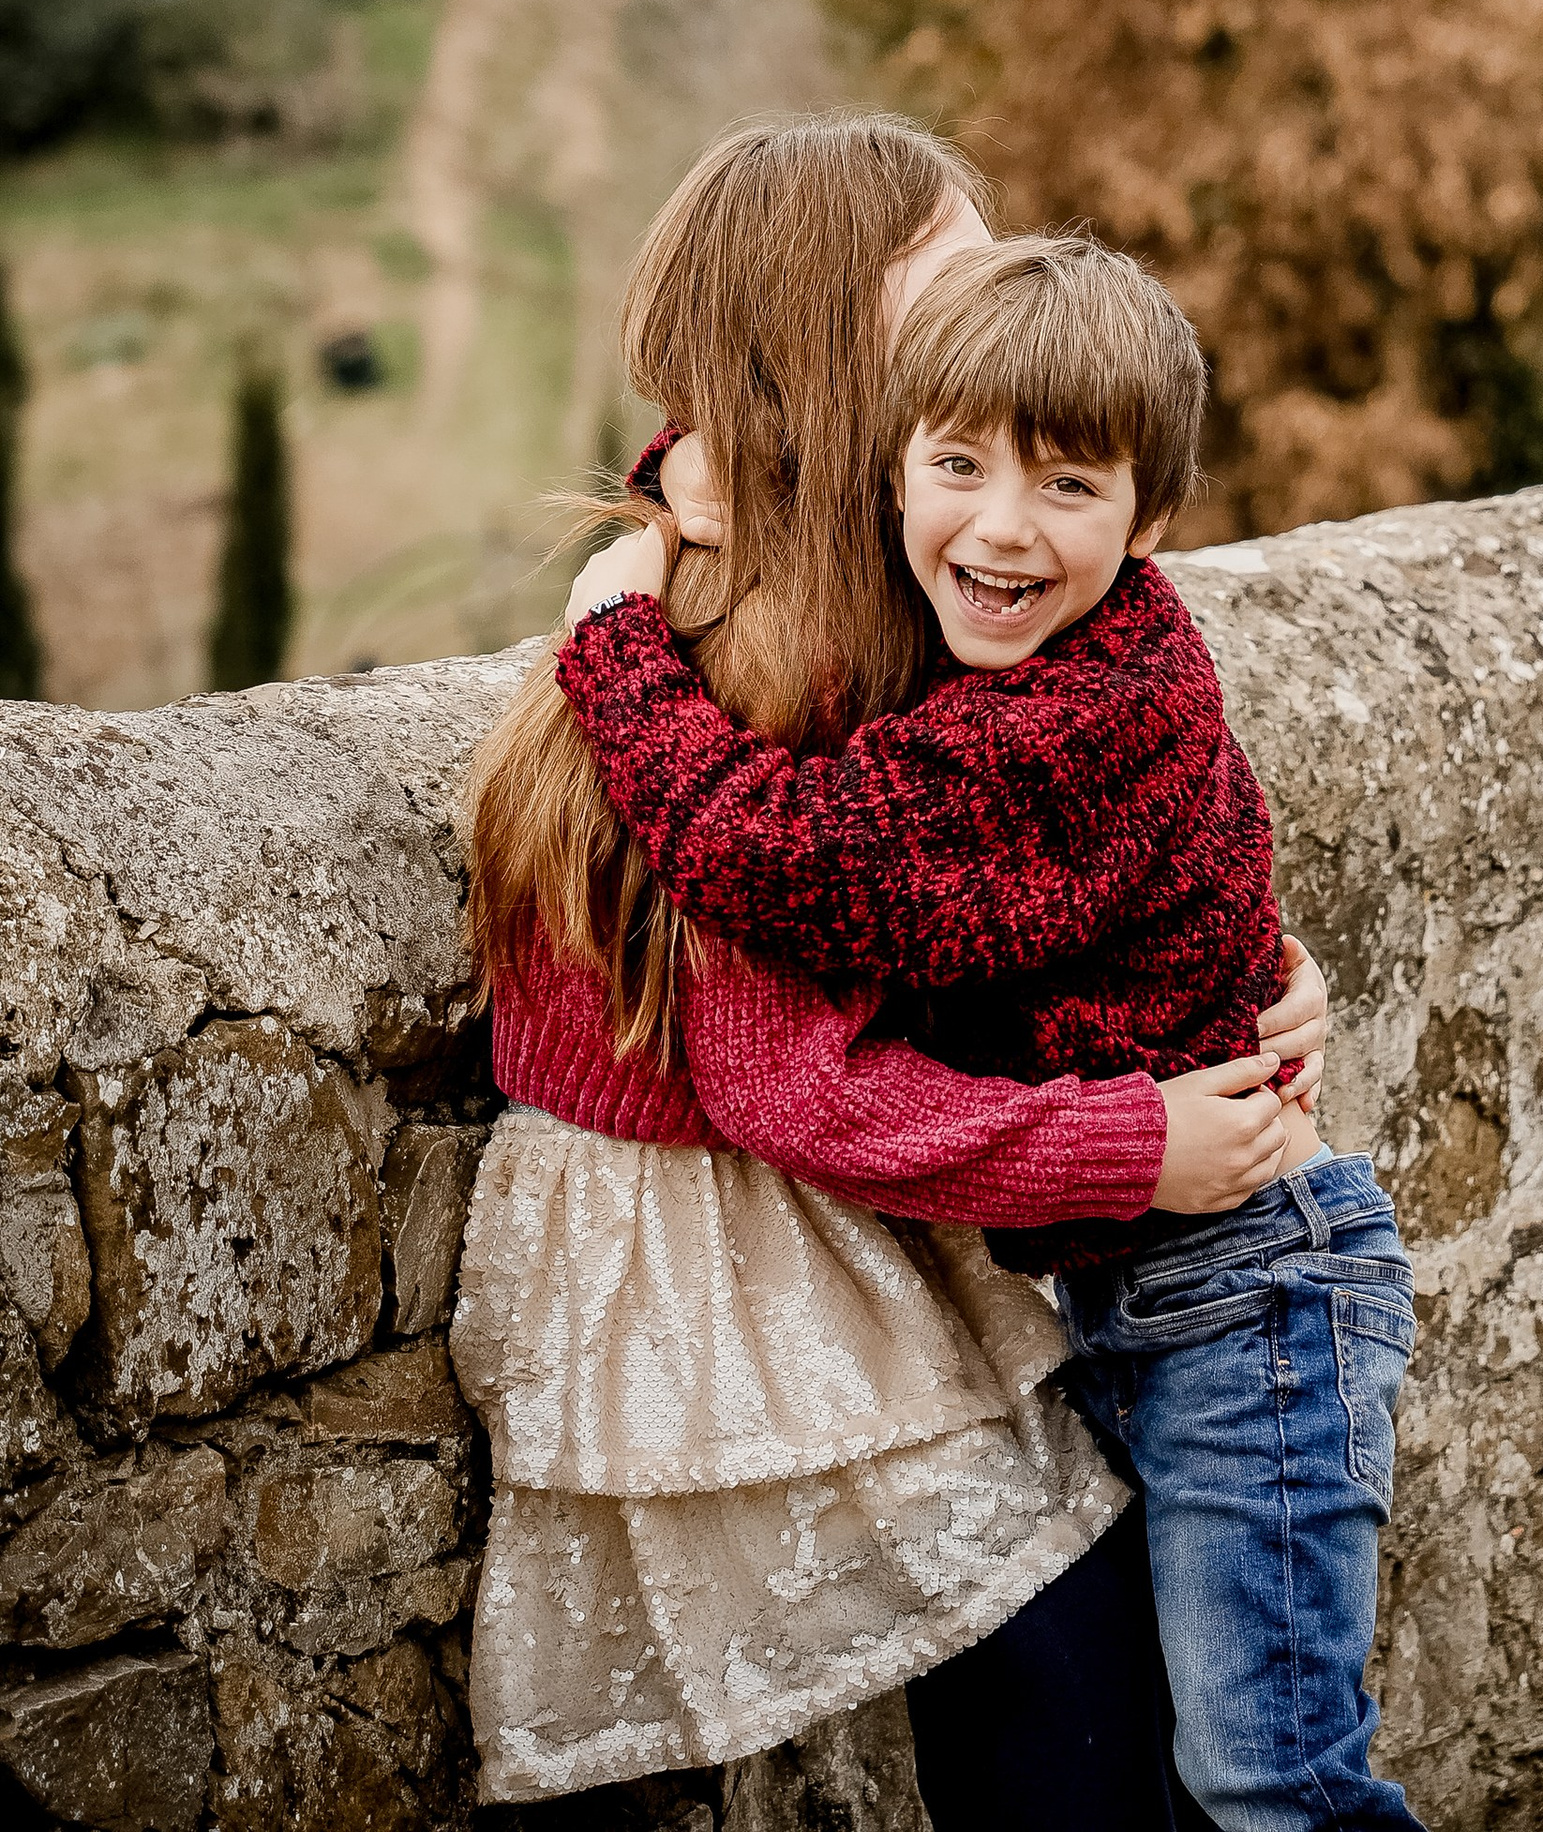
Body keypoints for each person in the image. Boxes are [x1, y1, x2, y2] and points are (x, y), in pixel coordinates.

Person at [458, 116, 1329, 1825]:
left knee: (1064, 1680)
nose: (1000, 300)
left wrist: (1247, 979)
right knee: (1057, 1695)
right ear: (829, 352)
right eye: (948, 280)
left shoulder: (868, 594)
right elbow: (794, 1080)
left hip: (817, 1205)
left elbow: (1045, 868)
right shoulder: (753, 665)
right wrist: (1135, 1144)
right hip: (714, 1243)